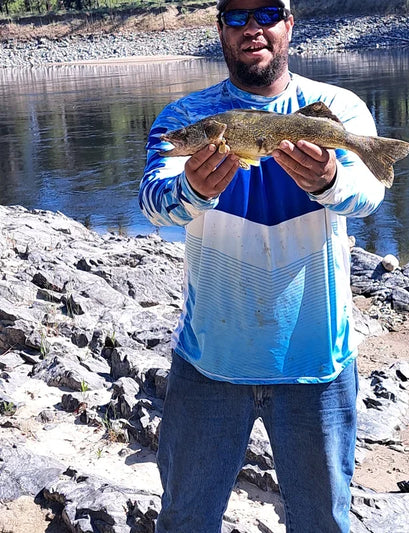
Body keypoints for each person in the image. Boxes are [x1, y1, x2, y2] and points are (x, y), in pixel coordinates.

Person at [139, 0, 385, 531]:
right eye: (236, 16)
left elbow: (369, 195)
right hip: (209, 362)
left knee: (323, 522)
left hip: (317, 362)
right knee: (185, 519)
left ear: (288, 24)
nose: (252, 27)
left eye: (268, 12)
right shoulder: (185, 119)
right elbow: (153, 203)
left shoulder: (334, 106)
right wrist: (191, 190)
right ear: (220, 30)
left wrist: (328, 182)